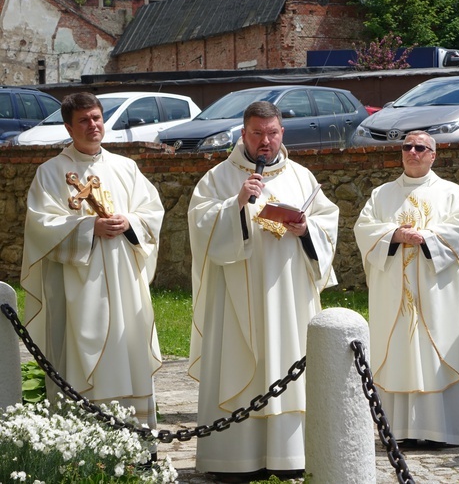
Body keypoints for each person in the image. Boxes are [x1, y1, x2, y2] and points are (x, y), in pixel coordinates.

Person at [187, 101, 339, 482]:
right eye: (257, 134)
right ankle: (233, 459)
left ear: (282, 133)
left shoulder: (303, 177)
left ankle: (289, 457)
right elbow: (200, 227)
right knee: (237, 361)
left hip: (287, 293)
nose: (265, 142)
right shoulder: (218, 178)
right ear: (243, 134)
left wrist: (307, 231)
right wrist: (236, 204)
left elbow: (327, 224)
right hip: (235, 296)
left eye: (272, 133)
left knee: (289, 361)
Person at [21, 92, 164, 431]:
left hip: (123, 278)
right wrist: (89, 227)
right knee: (80, 352)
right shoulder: (52, 173)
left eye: (97, 118)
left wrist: (129, 222)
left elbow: (152, 212)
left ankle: (134, 436)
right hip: (77, 286)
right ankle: (82, 440)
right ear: (69, 127)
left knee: (128, 345)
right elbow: (41, 226)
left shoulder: (124, 167)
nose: (93, 125)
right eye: (84, 120)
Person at [353, 130, 459, 447]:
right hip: (394, 294)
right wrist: (395, 234)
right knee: (396, 352)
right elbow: (364, 229)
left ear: (433, 155)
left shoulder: (452, 193)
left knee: (432, 351)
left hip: (437, 294)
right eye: (407, 147)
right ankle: (398, 431)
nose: (413, 152)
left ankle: (440, 432)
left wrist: (426, 238)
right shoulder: (382, 194)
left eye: (421, 147)